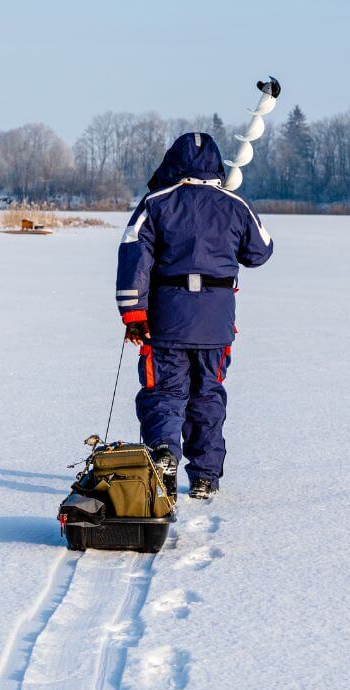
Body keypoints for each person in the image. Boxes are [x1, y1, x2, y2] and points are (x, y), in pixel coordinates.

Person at [116, 132, 273, 500]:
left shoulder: (156, 204)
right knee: (208, 396)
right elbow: (260, 252)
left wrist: (133, 314)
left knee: (164, 394)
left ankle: (164, 457)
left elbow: (133, 255)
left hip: (166, 319)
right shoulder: (235, 204)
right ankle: (205, 477)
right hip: (215, 323)